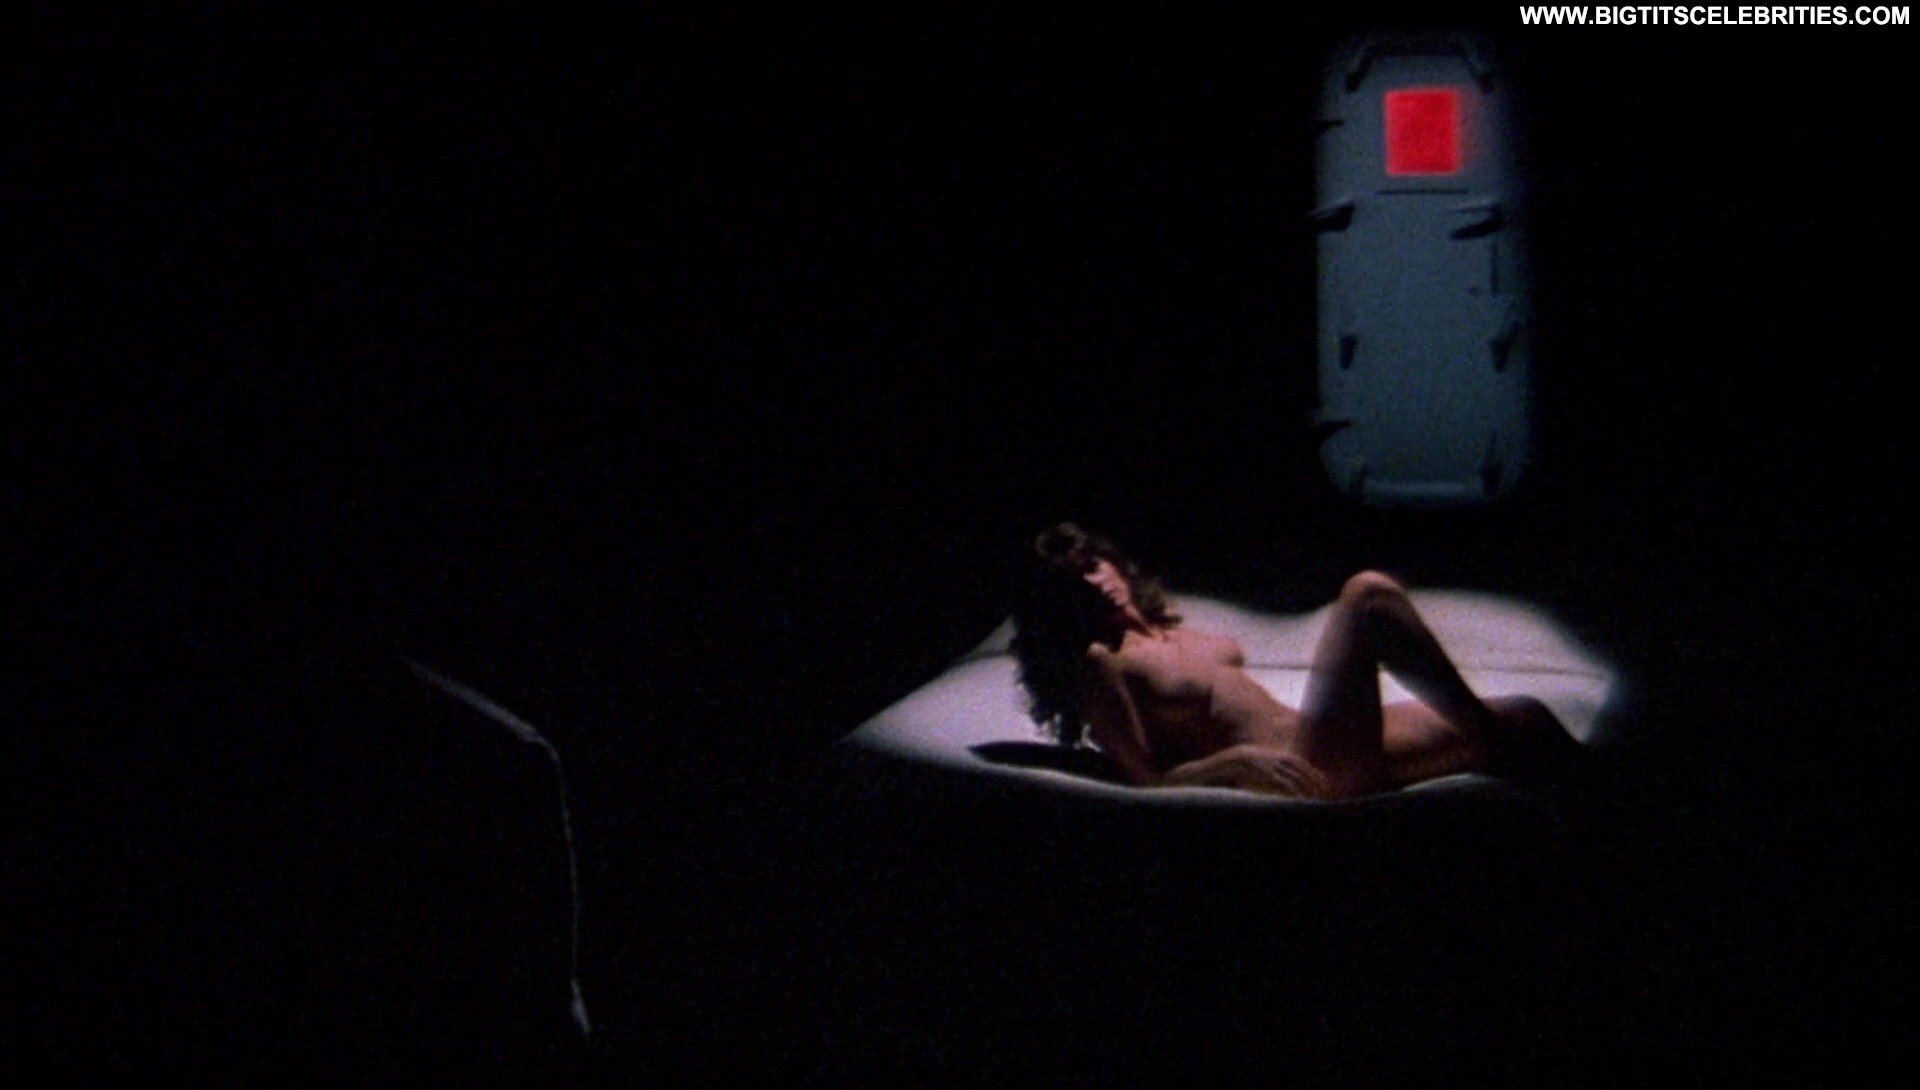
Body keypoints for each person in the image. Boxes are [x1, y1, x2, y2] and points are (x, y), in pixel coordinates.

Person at [1010, 523, 1584, 800]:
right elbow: (1145, 781)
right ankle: (1485, 730)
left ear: (1110, 560)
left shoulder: (1168, 629)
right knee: (1368, 595)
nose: (1096, 582)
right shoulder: (1102, 663)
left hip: (1317, 737)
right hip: (1307, 768)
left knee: (1527, 718)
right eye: (1075, 583)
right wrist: (1234, 761)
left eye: (1094, 565)